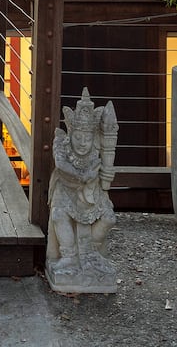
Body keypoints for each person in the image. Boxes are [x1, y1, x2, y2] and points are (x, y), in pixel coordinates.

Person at [47, 89, 118, 291]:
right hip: (66, 188)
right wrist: (82, 176)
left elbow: (103, 166)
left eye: (87, 137)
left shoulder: (96, 149)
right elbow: (61, 165)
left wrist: (104, 175)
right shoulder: (61, 142)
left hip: (91, 192)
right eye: (78, 137)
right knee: (59, 215)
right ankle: (69, 256)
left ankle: (90, 253)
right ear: (71, 133)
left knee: (109, 218)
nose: (83, 143)